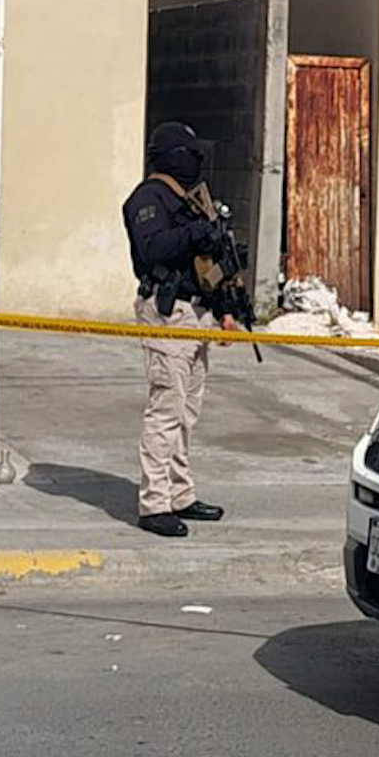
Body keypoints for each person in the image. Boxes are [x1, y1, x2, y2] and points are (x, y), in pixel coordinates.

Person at [122, 121, 240, 537]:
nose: (197, 162)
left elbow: (208, 266)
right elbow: (152, 247)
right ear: (173, 157)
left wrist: (226, 308)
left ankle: (180, 494)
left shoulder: (191, 200)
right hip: (167, 311)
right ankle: (154, 505)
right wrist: (195, 232)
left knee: (186, 413)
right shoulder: (148, 198)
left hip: (196, 313)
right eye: (190, 155)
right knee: (165, 409)